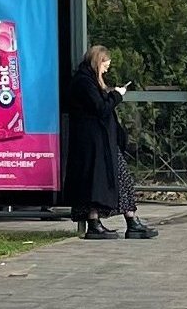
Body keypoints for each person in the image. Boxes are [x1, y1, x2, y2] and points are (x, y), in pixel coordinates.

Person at [65, 45, 157, 240]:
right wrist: (117, 95)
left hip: (96, 142)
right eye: (105, 65)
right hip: (95, 143)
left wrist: (110, 92)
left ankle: (103, 222)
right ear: (98, 62)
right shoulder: (84, 82)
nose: (107, 69)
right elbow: (100, 108)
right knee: (112, 178)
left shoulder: (84, 80)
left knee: (98, 182)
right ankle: (127, 222)